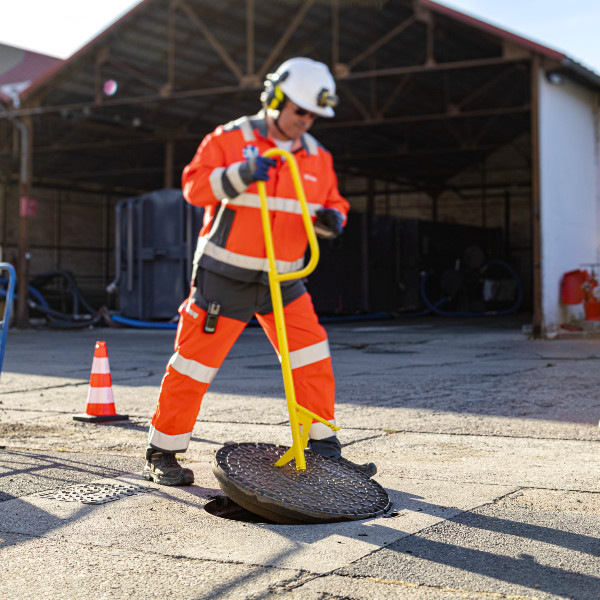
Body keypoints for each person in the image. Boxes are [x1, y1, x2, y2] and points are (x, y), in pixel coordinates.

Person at [143, 57, 376, 486]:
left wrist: (335, 218)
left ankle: (322, 448)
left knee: (312, 356)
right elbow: (194, 187)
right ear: (276, 99)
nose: (305, 121)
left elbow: (335, 202)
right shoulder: (230, 139)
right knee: (194, 365)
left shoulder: (317, 157)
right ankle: (164, 451)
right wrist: (240, 174)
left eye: (313, 115)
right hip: (225, 277)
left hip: (285, 280)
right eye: (299, 111)